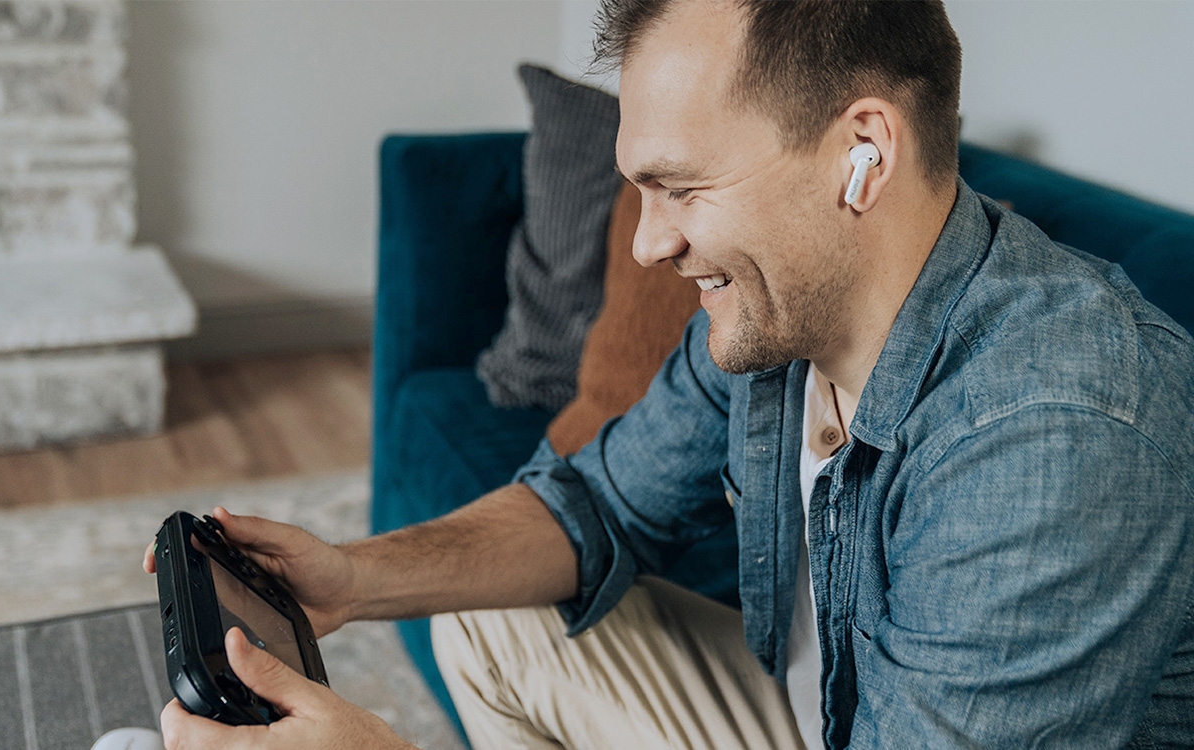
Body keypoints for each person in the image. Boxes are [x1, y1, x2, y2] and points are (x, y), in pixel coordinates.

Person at [144, 0, 1194, 747]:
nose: (649, 245)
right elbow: (598, 504)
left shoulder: (1055, 431)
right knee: (489, 611)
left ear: (863, 154)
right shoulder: (779, 322)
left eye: (679, 186)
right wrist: (353, 578)